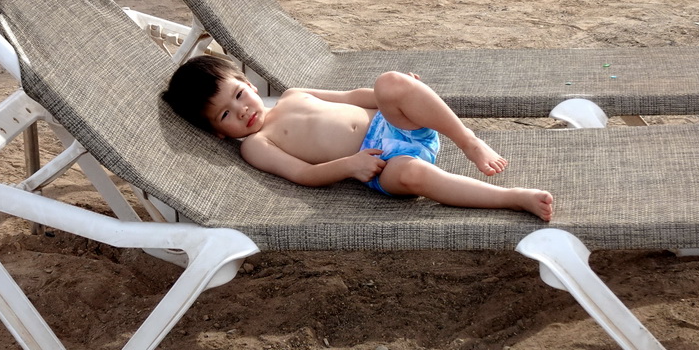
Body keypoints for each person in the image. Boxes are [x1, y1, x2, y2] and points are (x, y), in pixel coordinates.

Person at [162, 55, 553, 221]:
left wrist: (397, 94)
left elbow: (353, 97)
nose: (243, 110)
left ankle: (469, 141)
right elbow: (301, 174)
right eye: (226, 114)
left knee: (390, 82)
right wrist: (350, 166)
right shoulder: (255, 145)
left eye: (239, 95)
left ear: (247, 83)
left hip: (398, 125)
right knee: (414, 177)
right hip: (379, 164)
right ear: (217, 131)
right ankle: (511, 198)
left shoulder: (294, 94)